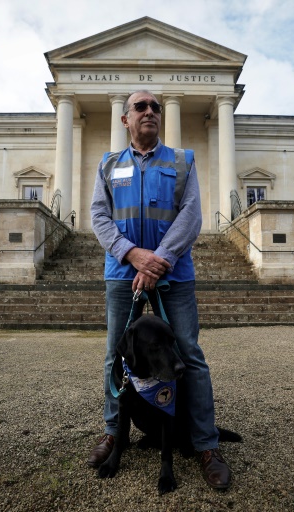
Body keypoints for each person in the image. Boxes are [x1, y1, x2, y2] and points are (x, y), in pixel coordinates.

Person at [88, 90, 231, 490]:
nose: (149, 112)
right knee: (115, 354)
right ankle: (114, 433)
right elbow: (99, 214)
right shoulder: (108, 164)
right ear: (125, 119)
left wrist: (159, 259)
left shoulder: (182, 160)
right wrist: (132, 254)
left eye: (155, 107)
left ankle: (206, 444)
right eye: (140, 107)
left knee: (190, 354)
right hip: (122, 271)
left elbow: (192, 214)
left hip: (174, 272)